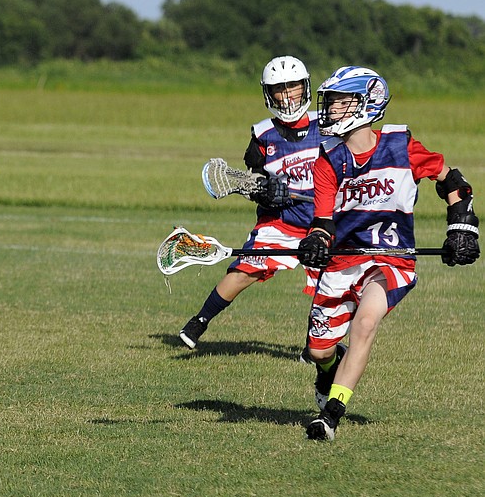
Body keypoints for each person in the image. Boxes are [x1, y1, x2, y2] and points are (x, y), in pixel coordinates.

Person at [298, 66, 479, 441]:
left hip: (391, 259)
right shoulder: (328, 161)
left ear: (366, 104)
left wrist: (461, 227)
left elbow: (454, 183)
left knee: (365, 324)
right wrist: (316, 241)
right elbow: (323, 220)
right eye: (328, 102)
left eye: (337, 102)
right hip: (343, 261)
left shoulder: (401, 147)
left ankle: (330, 417)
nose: (328, 110)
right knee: (318, 351)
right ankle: (328, 368)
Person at [179, 56, 322, 349]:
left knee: (330, 286)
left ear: (305, 87)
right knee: (244, 269)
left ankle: (315, 345)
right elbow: (252, 182)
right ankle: (200, 321)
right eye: (279, 90)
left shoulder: (329, 126)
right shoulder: (262, 136)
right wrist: (266, 193)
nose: (287, 95)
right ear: (269, 94)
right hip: (281, 223)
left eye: (293, 87)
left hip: (324, 222)